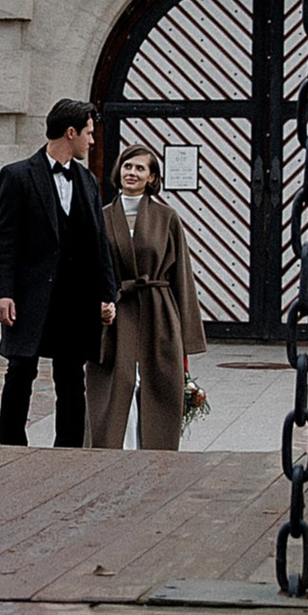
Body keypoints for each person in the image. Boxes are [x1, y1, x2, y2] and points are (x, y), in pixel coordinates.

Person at [0, 99, 119, 446]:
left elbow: (98, 244)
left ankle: (68, 452)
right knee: (20, 372)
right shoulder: (16, 176)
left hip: (76, 298)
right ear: (71, 132)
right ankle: (11, 447)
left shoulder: (88, 181)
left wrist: (108, 295)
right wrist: (3, 292)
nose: (92, 141)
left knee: (71, 378)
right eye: (89, 133)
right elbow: (3, 240)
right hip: (30, 295)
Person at [90, 142, 207, 452]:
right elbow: (90, 267)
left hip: (158, 310)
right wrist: (96, 306)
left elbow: (181, 273)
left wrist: (188, 333)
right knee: (119, 383)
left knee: (156, 384)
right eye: (128, 166)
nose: (132, 172)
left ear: (152, 177)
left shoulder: (166, 217)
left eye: (140, 168)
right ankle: (118, 451)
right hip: (116, 312)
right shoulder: (101, 216)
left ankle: (153, 453)